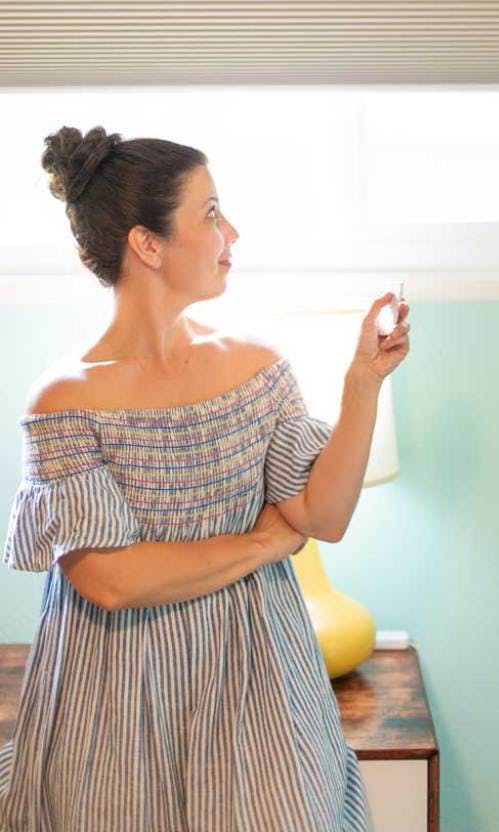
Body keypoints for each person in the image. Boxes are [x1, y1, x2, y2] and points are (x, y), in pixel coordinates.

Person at [0, 125, 411, 831]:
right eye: (211, 213)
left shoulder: (254, 364)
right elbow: (113, 581)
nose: (233, 233)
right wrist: (259, 545)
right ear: (147, 244)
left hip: (259, 682)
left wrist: (362, 384)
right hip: (116, 693)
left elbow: (323, 516)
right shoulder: (64, 399)